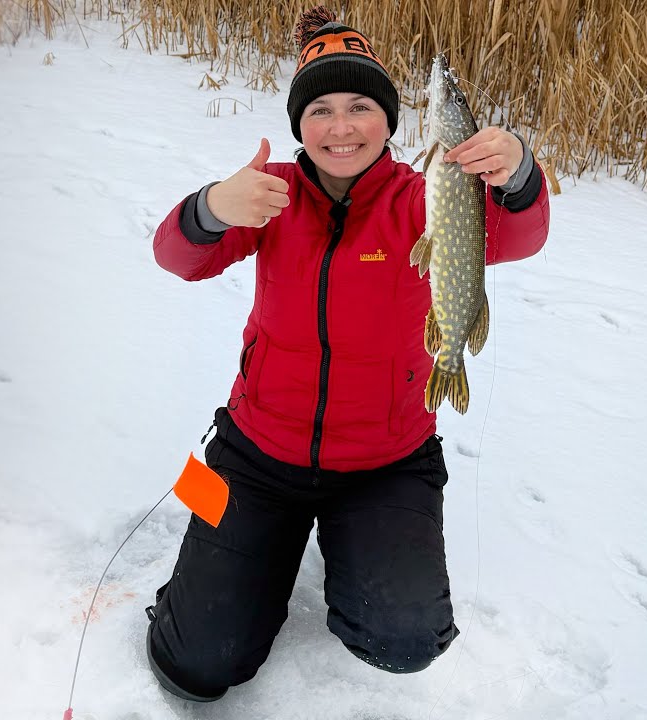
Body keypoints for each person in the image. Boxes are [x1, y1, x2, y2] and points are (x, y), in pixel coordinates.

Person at [143, 6, 550, 702]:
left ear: (390, 122)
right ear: (299, 125)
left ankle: (344, 549)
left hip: (385, 463)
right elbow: (177, 257)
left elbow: (518, 236)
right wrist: (213, 205)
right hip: (258, 453)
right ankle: (250, 563)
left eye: (361, 107)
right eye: (321, 110)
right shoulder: (270, 193)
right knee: (195, 664)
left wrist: (518, 174)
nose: (341, 127)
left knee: (406, 640)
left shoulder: (422, 199)